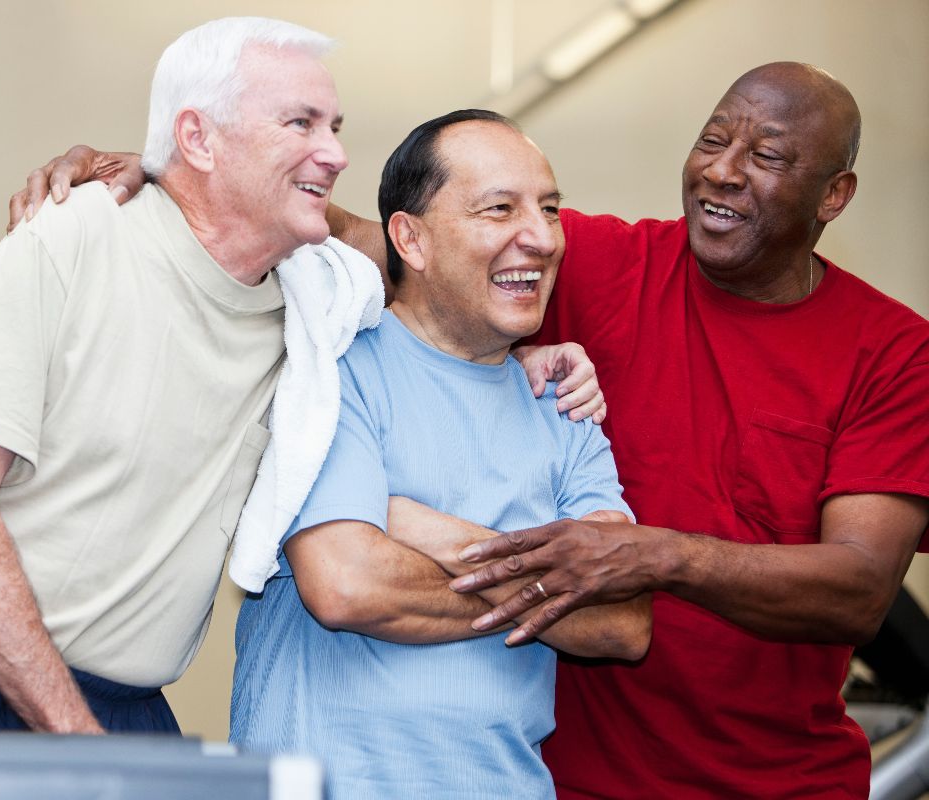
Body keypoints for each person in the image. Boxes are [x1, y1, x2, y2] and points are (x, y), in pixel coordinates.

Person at [20, 62, 929, 797]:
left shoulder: (891, 350)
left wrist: (647, 557)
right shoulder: (401, 348)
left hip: (781, 781)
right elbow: (374, 240)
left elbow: (836, 592)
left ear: (834, 195)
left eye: (766, 156)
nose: (724, 170)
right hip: (573, 775)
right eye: (712, 140)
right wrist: (180, 181)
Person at [0, 16, 358, 734]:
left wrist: (533, 353)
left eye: (336, 127)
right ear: (197, 138)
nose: (337, 153)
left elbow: (438, 265)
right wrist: (81, 748)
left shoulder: (315, 303)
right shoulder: (71, 235)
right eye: (301, 124)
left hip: (119, 711)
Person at [229, 109, 650, 799]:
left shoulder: (565, 406)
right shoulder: (333, 370)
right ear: (411, 240)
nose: (540, 238)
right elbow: (347, 586)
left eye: (550, 209)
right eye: (499, 210)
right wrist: (550, 582)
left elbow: (623, 620)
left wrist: (415, 525)